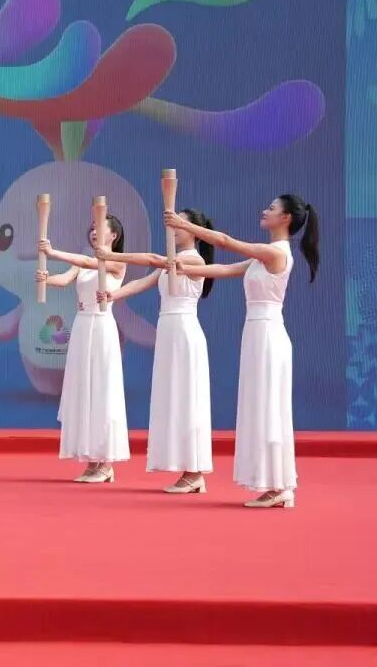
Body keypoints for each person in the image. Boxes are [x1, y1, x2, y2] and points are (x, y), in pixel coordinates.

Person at [166, 195, 319, 509]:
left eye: (272, 208)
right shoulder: (262, 257)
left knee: (269, 409)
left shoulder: (275, 252)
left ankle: (280, 486)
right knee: (259, 407)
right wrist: (180, 265)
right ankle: (274, 484)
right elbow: (222, 269)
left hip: (269, 335)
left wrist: (184, 225)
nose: (265, 210)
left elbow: (224, 241)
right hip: (256, 334)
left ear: (286, 218)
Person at [96, 208, 215, 494]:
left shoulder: (193, 260)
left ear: (195, 231)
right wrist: (114, 294)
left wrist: (112, 255)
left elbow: (151, 259)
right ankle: (188, 470)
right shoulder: (170, 262)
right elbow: (142, 281)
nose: (173, 228)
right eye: (173, 223)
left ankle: (195, 472)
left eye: (180, 224)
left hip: (185, 332)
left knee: (188, 399)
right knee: (173, 399)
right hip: (169, 332)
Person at [38, 216, 130, 483]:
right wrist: (47, 278)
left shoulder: (118, 261)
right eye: (91, 228)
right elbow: (66, 278)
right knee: (85, 391)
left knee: (102, 391)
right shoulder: (83, 260)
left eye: (99, 228)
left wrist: (53, 252)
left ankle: (106, 463)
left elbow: (92, 263)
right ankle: (92, 462)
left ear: (113, 235)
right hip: (82, 326)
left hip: (102, 328)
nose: (93, 232)